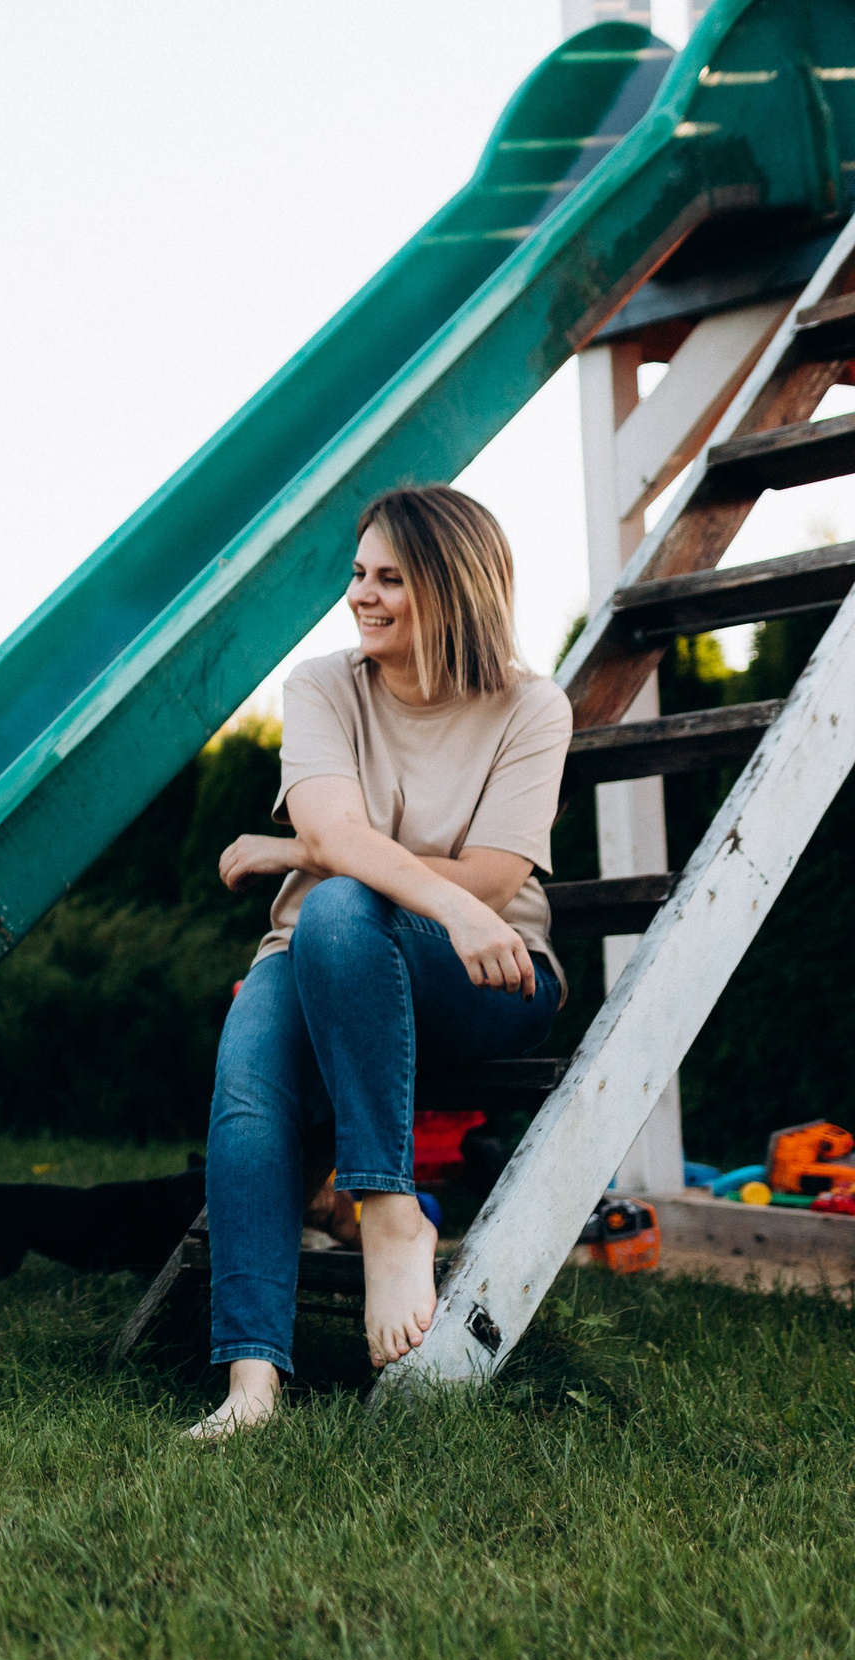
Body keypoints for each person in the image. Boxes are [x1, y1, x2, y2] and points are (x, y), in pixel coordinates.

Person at [192, 485, 570, 1441]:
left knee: (340, 901)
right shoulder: (321, 685)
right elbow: (336, 830)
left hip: (484, 976)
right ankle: (250, 1387)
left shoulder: (531, 708)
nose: (362, 595)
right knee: (250, 1085)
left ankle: (385, 1206)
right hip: (326, 947)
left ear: (453, 588)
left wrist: (306, 855)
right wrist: (338, 855)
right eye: (358, 574)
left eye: (390, 578)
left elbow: (493, 876)